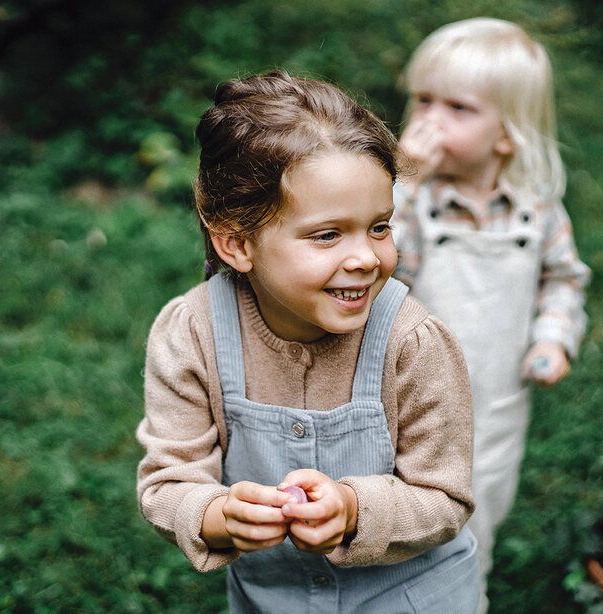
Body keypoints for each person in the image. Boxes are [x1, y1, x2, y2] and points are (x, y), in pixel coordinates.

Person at [135, 70, 479, 613]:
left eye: (380, 227)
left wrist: (354, 509)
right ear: (236, 243)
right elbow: (168, 484)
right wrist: (217, 515)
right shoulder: (192, 334)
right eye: (327, 235)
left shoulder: (413, 343)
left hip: (413, 598)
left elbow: (446, 498)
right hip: (272, 601)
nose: (365, 257)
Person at [392, 17, 591, 611]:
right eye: (423, 100)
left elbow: (563, 280)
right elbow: (378, 266)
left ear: (507, 135)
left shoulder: (539, 212)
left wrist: (553, 339)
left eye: (457, 107)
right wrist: (402, 179)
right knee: (404, 512)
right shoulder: (417, 203)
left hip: (495, 406)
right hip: (408, 399)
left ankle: (463, 593)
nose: (429, 120)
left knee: (478, 512)